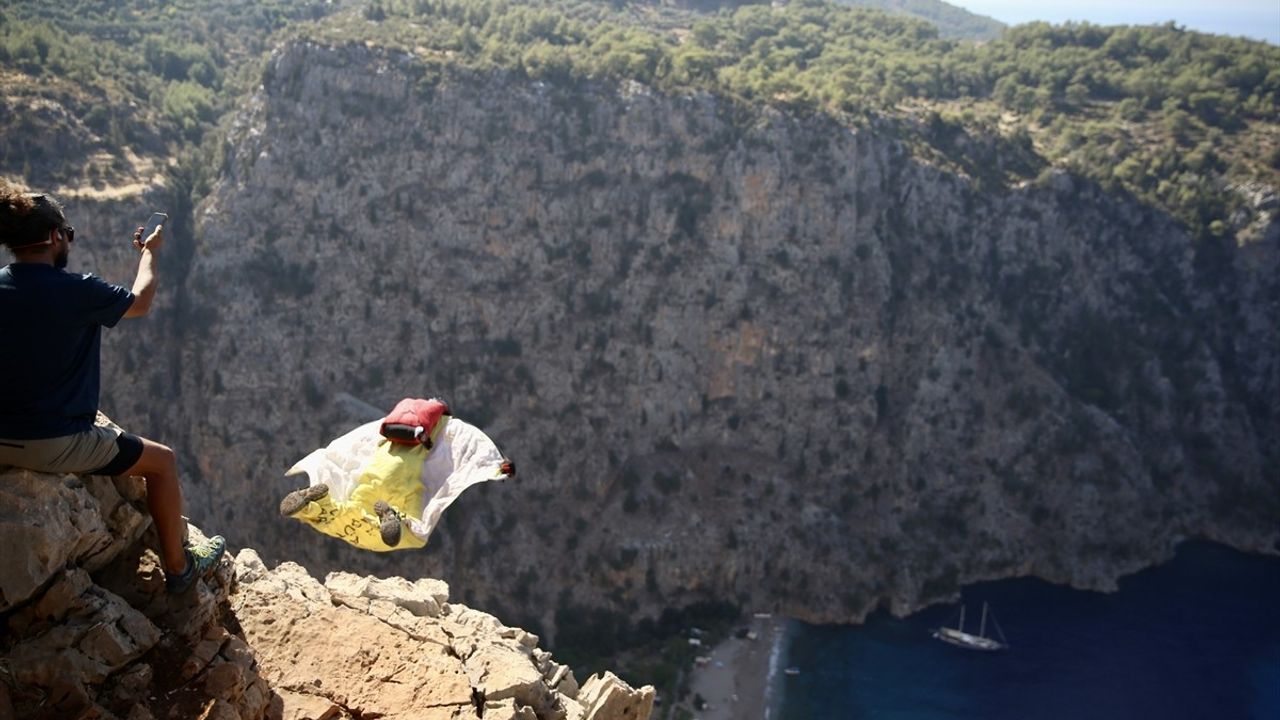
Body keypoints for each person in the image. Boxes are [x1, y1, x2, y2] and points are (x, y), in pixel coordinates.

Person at [0, 181, 224, 594]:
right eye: (68, 234)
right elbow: (141, 300)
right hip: (51, 440)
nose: (69, 241)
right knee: (163, 462)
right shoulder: (75, 290)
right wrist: (150, 255)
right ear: (53, 238)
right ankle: (180, 569)